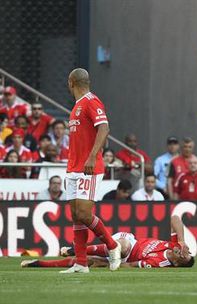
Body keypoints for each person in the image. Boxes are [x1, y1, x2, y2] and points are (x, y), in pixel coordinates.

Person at [61, 68, 121, 274]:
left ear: (71, 83)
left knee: (85, 214)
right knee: (77, 215)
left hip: (89, 168)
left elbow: (104, 128)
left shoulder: (91, 101)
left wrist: (92, 156)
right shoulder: (77, 106)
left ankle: (112, 246)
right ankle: (80, 263)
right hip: (73, 168)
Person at [21, 214, 194, 269]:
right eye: (188, 252)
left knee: (84, 263)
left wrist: (110, 263)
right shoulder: (174, 245)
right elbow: (175, 218)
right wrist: (181, 239)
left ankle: (37, 263)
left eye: (184, 257)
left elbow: (132, 266)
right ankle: (77, 249)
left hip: (123, 259)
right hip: (128, 241)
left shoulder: (160, 263)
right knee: (123, 247)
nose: (184, 252)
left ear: (177, 264)